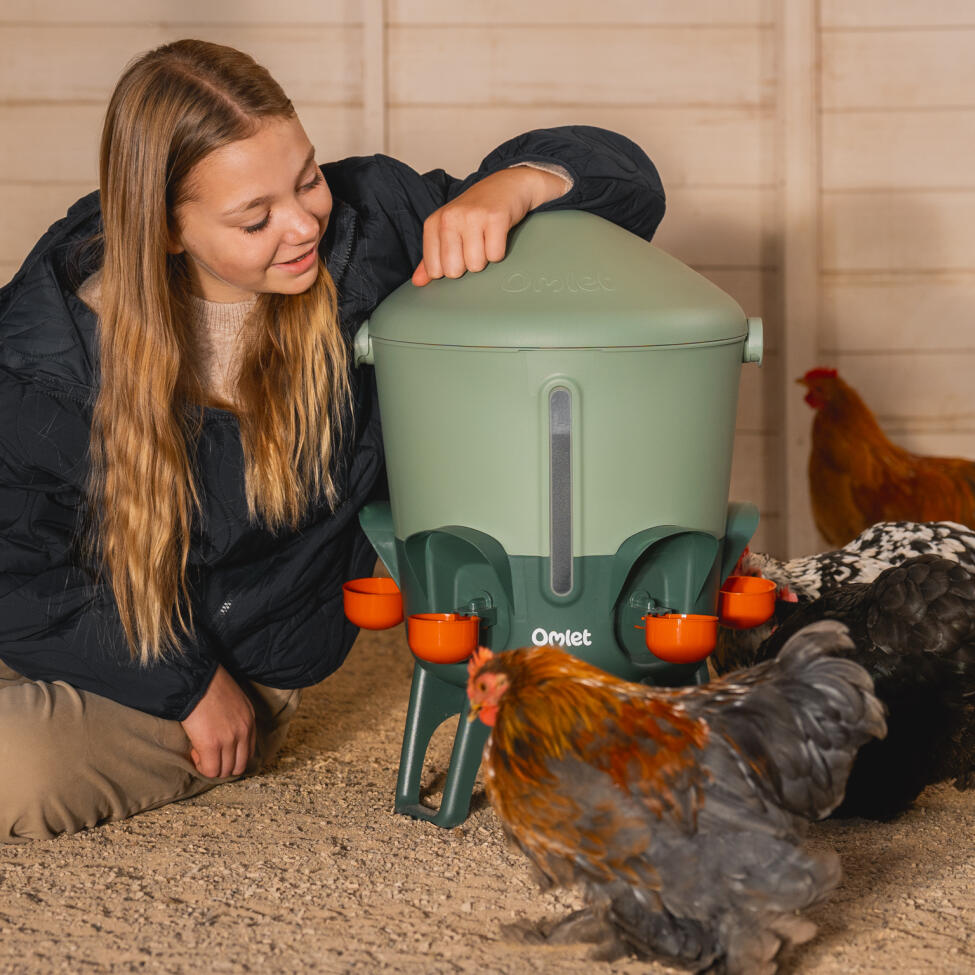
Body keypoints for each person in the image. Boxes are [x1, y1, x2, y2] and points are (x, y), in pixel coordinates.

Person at [0, 39, 666, 842]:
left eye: (306, 178)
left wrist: (512, 188)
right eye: (255, 217)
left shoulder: (369, 227)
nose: (302, 223)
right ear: (164, 230)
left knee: (17, 771)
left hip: (230, 654)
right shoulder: (45, 355)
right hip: (90, 620)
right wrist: (181, 682)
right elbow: (18, 568)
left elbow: (628, 184)